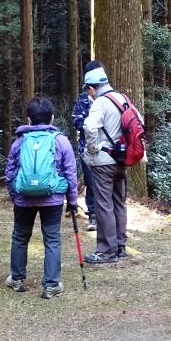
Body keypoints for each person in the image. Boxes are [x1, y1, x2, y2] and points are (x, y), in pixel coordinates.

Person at [4, 96, 79, 299]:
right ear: (52, 118)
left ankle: (17, 279)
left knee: (20, 236)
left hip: (23, 198)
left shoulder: (19, 142)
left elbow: (10, 173)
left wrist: (15, 195)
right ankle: (51, 284)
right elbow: (70, 173)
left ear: (29, 120)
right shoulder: (61, 141)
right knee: (52, 238)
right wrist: (72, 201)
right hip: (52, 197)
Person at [81, 67, 135, 263]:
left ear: (92, 88)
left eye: (88, 90)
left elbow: (89, 126)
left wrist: (93, 148)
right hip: (122, 160)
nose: (89, 94)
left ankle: (106, 251)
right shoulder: (123, 99)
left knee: (103, 204)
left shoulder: (101, 102)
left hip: (104, 162)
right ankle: (120, 246)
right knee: (119, 202)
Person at [71, 60, 107, 232]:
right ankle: (92, 214)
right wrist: (92, 124)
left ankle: (106, 216)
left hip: (107, 149)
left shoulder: (109, 99)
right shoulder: (83, 100)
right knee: (91, 182)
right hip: (87, 149)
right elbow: (77, 121)